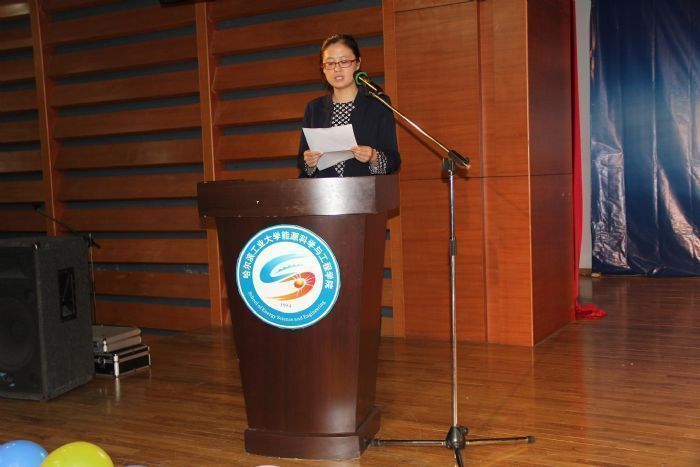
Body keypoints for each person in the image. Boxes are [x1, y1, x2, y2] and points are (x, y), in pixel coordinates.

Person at [298, 34, 400, 178]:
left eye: (344, 61)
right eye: (330, 63)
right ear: (323, 68)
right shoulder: (314, 108)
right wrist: (309, 162)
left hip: (365, 189)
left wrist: (373, 156)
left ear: (357, 63)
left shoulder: (378, 104)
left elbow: (393, 161)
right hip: (324, 190)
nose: (337, 69)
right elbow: (302, 163)